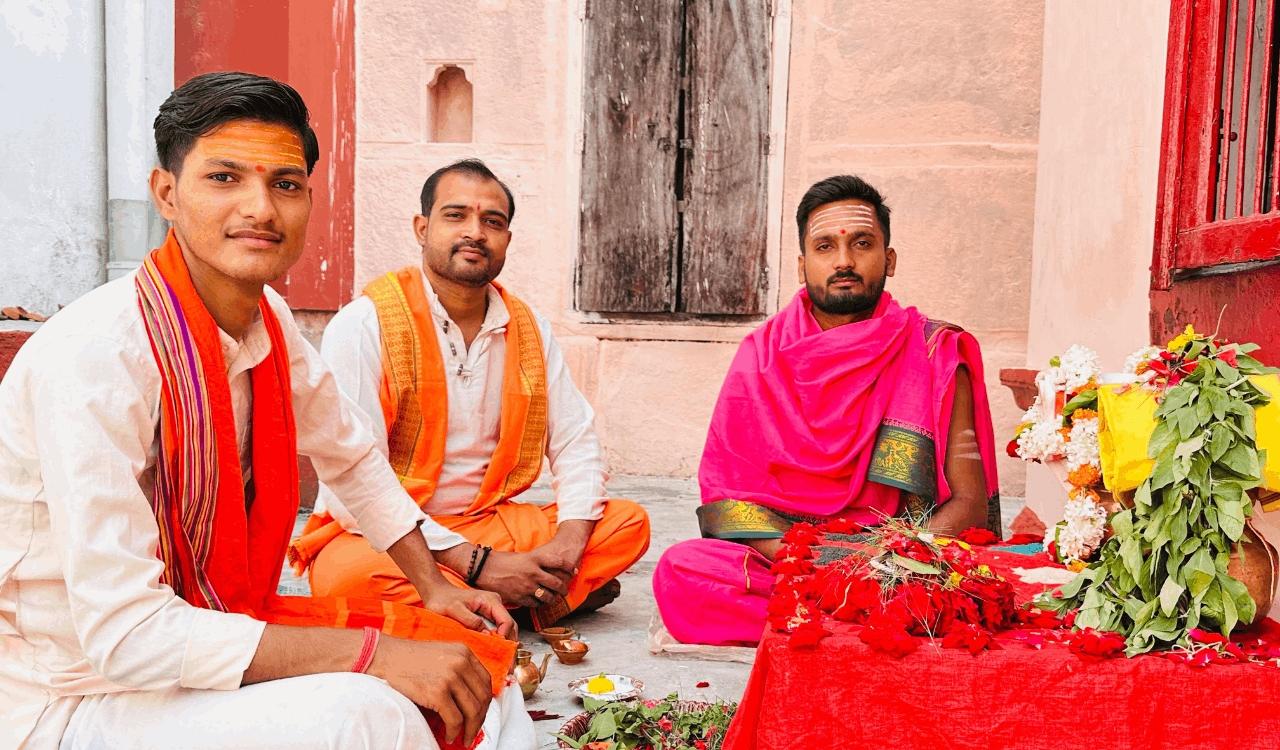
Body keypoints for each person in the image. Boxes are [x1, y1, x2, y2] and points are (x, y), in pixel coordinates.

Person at [0, 72, 534, 750]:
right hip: (73, 697)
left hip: (215, 629)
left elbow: (350, 456)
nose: (260, 209)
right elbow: (127, 636)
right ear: (166, 193)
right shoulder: (96, 356)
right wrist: (371, 655)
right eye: (224, 178)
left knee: (478, 667)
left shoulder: (269, 321)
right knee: (368, 714)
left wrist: (434, 588)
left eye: (285, 184)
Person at [290, 159, 651, 631]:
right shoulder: (363, 324)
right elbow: (351, 487)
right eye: (456, 215)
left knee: (626, 523)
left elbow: (576, 441)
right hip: (396, 536)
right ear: (422, 228)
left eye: (492, 222)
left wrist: (567, 545)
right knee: (345, 577)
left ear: (507, 239)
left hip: (490, 523)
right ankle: (531, 598)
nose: (475, 233)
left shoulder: (528, 329)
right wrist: (477, 564)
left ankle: (483, 603)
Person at [651, 175, 1002, 646]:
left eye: (862, 243)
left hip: (898, 562)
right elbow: (730, 502)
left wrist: (884, 563)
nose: (843, 261)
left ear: (889, 259)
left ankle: (817, 628)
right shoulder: (761, 355)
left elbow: (969, 504)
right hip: (794, 559)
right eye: (824, 247)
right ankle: (865, 628)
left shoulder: (933, 350)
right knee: (683, 571)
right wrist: (818, 563)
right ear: (802, 266)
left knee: (952, 586)